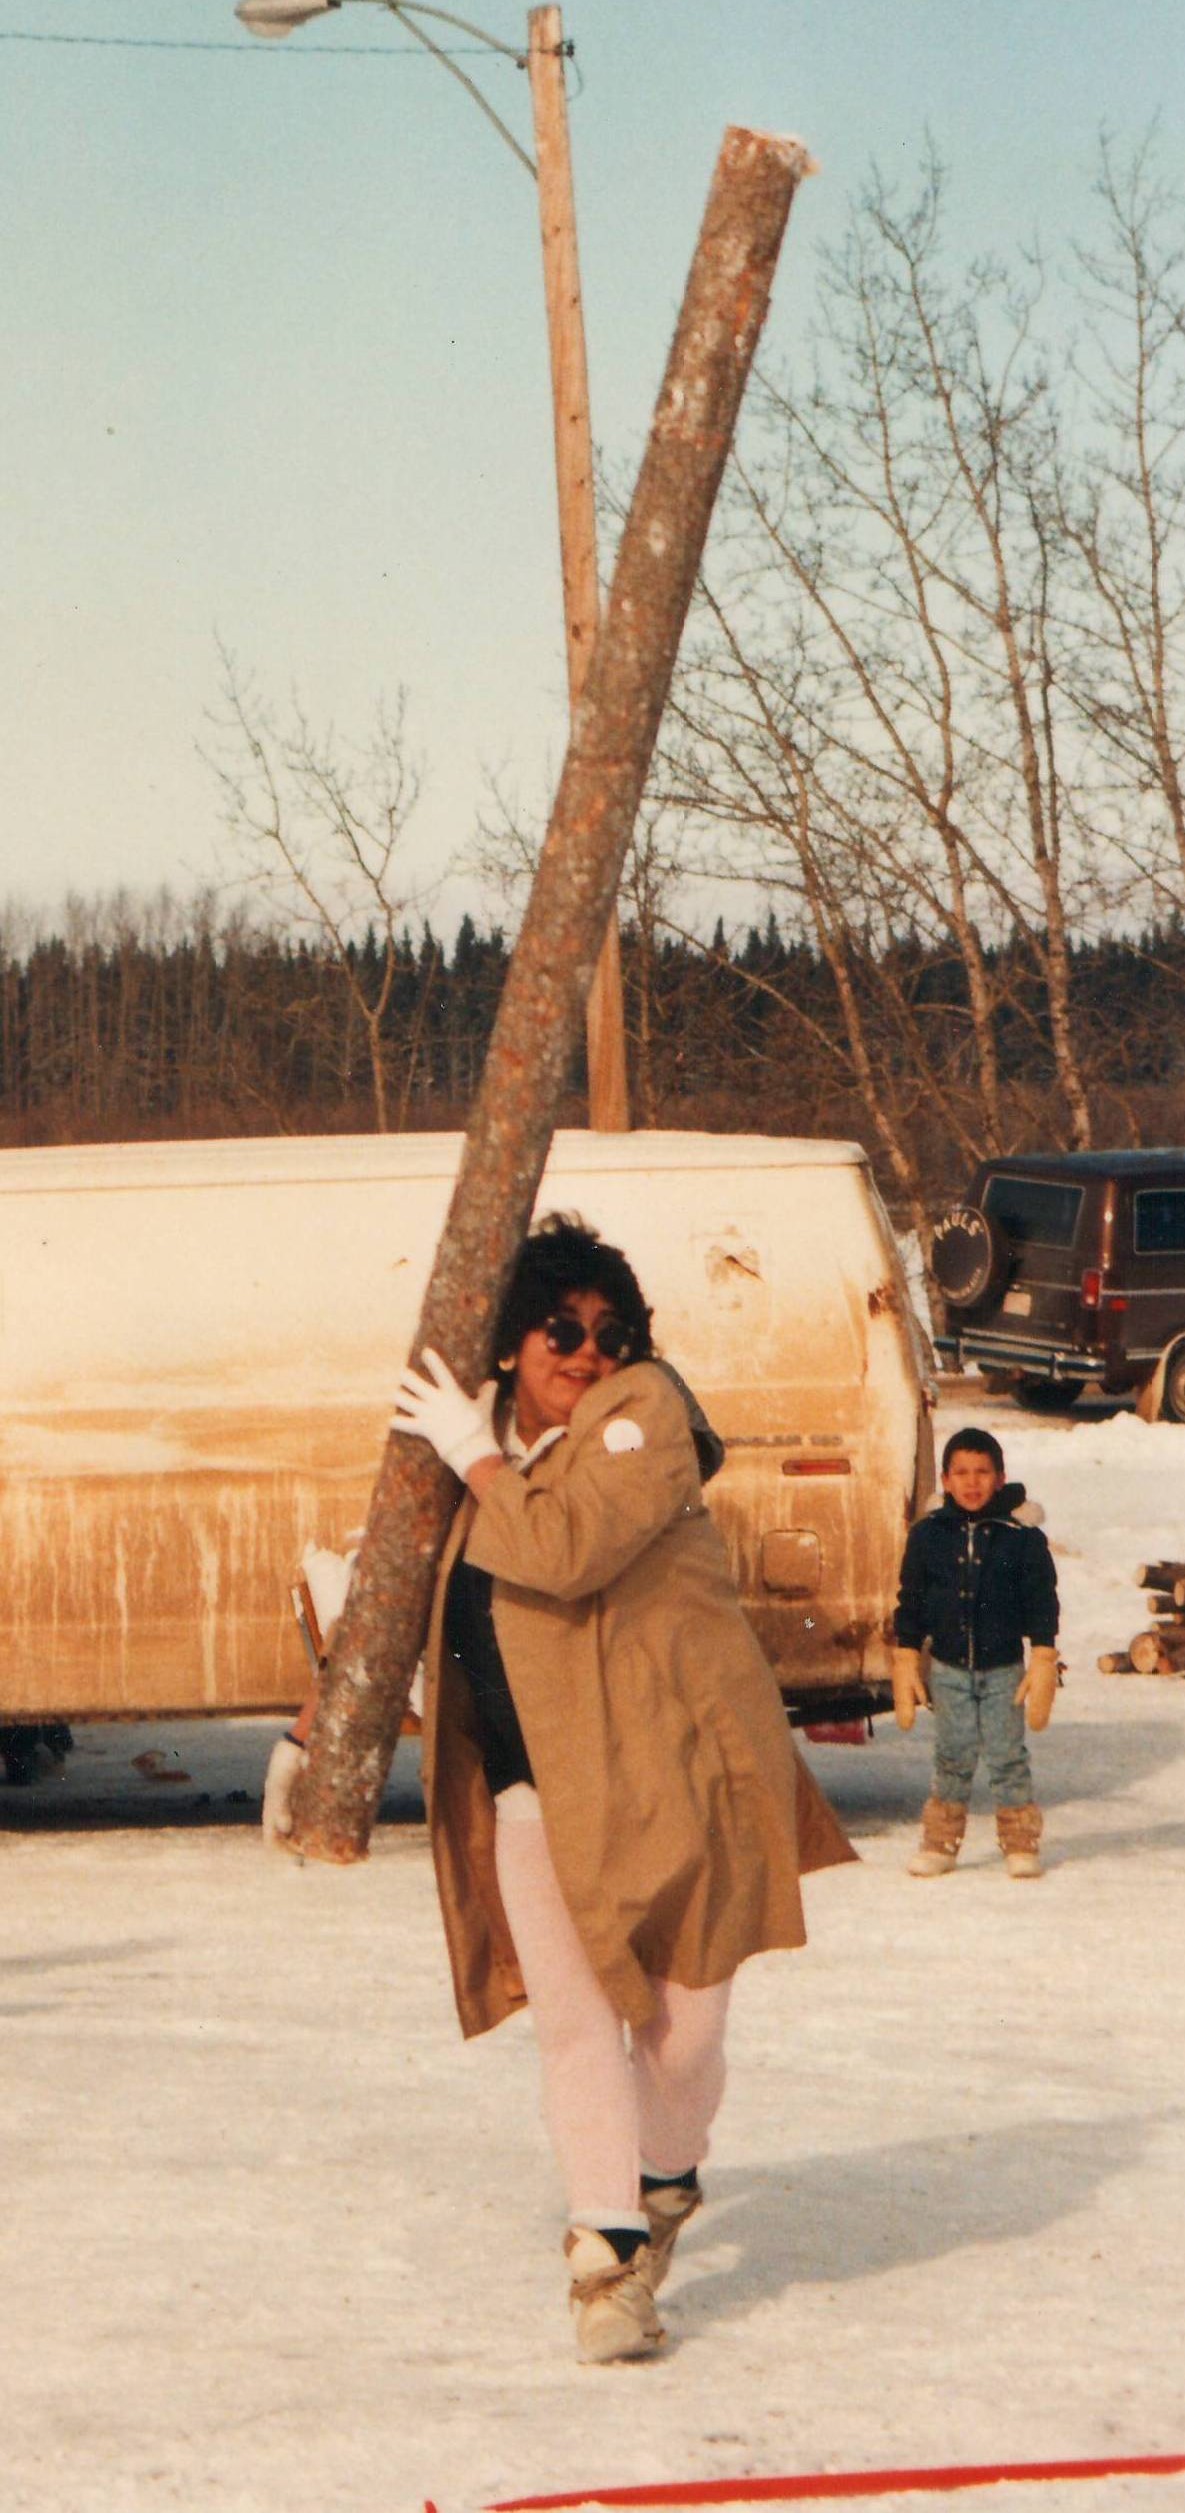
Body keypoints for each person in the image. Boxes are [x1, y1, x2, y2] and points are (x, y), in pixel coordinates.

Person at [267, 1214, 855, 2364]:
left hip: (681, 1775)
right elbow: (394, 1607)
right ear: (508, 1343)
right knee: (581, 2029)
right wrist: (316, 1728)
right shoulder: (459, 1462)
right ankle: (607, 2259)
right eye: (562, 1330)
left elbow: (569, 1545)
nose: (589, 1352)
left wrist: (472, 1455)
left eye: (610, 1331)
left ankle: (667, 2174)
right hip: (537, 1788)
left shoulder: (646, 1419)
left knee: (682, 2036)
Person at [891, 1424, 1060, 1882]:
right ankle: (941, 1842)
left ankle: (1021, 1841)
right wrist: (906, 1655)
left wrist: (1044, 1655)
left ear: (1000, 1478)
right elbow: (912, 1599)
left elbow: (1042, 1598)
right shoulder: (928, 1535)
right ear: (945, 1480)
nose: (972, 1482)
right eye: (961, 1472)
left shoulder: (1021, 1536)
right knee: (953, 1755)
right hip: (948, 1669)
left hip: (1005, 1668)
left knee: (1007, 1755)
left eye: (982, 1472)